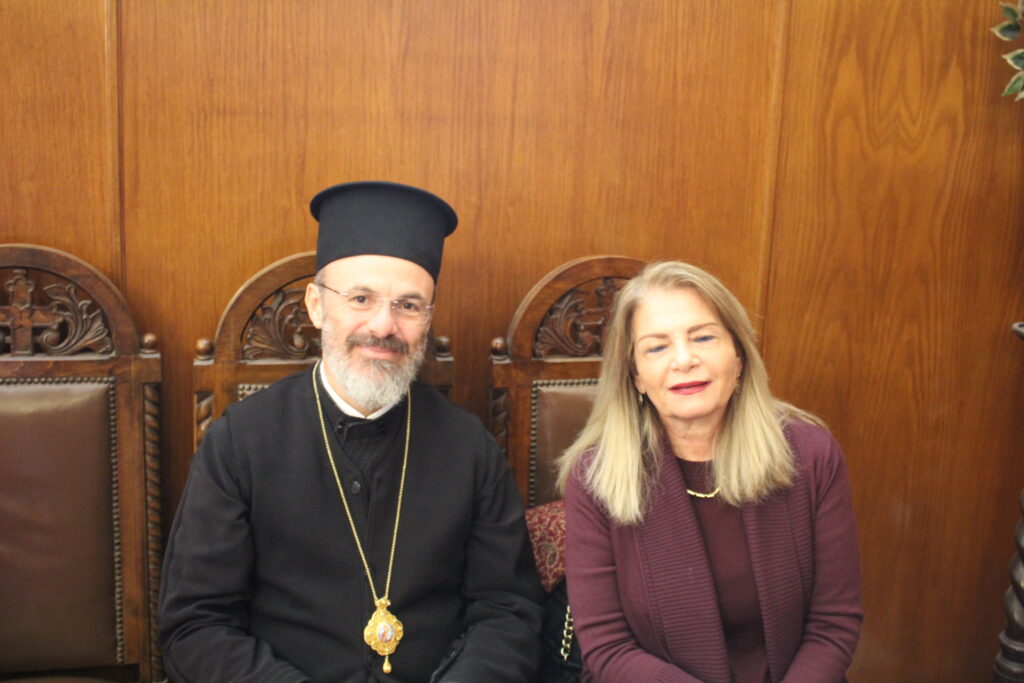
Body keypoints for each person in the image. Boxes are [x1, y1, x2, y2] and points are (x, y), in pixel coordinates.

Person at [159, 181, 543, 683]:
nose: (383, 326)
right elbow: (196, 626)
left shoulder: (469, 448)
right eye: (361, 298)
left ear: (428, 319)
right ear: (316, 305)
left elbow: (509, 612)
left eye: (408, 305)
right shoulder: (241, 443)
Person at [557, 261, 861, 682]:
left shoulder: (811, 455)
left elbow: (833, 624)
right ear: (636, 376)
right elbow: (607, 648)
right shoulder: (595, 478)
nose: (684, 360)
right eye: (656, 347)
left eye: (703, 337)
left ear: (739, 357)